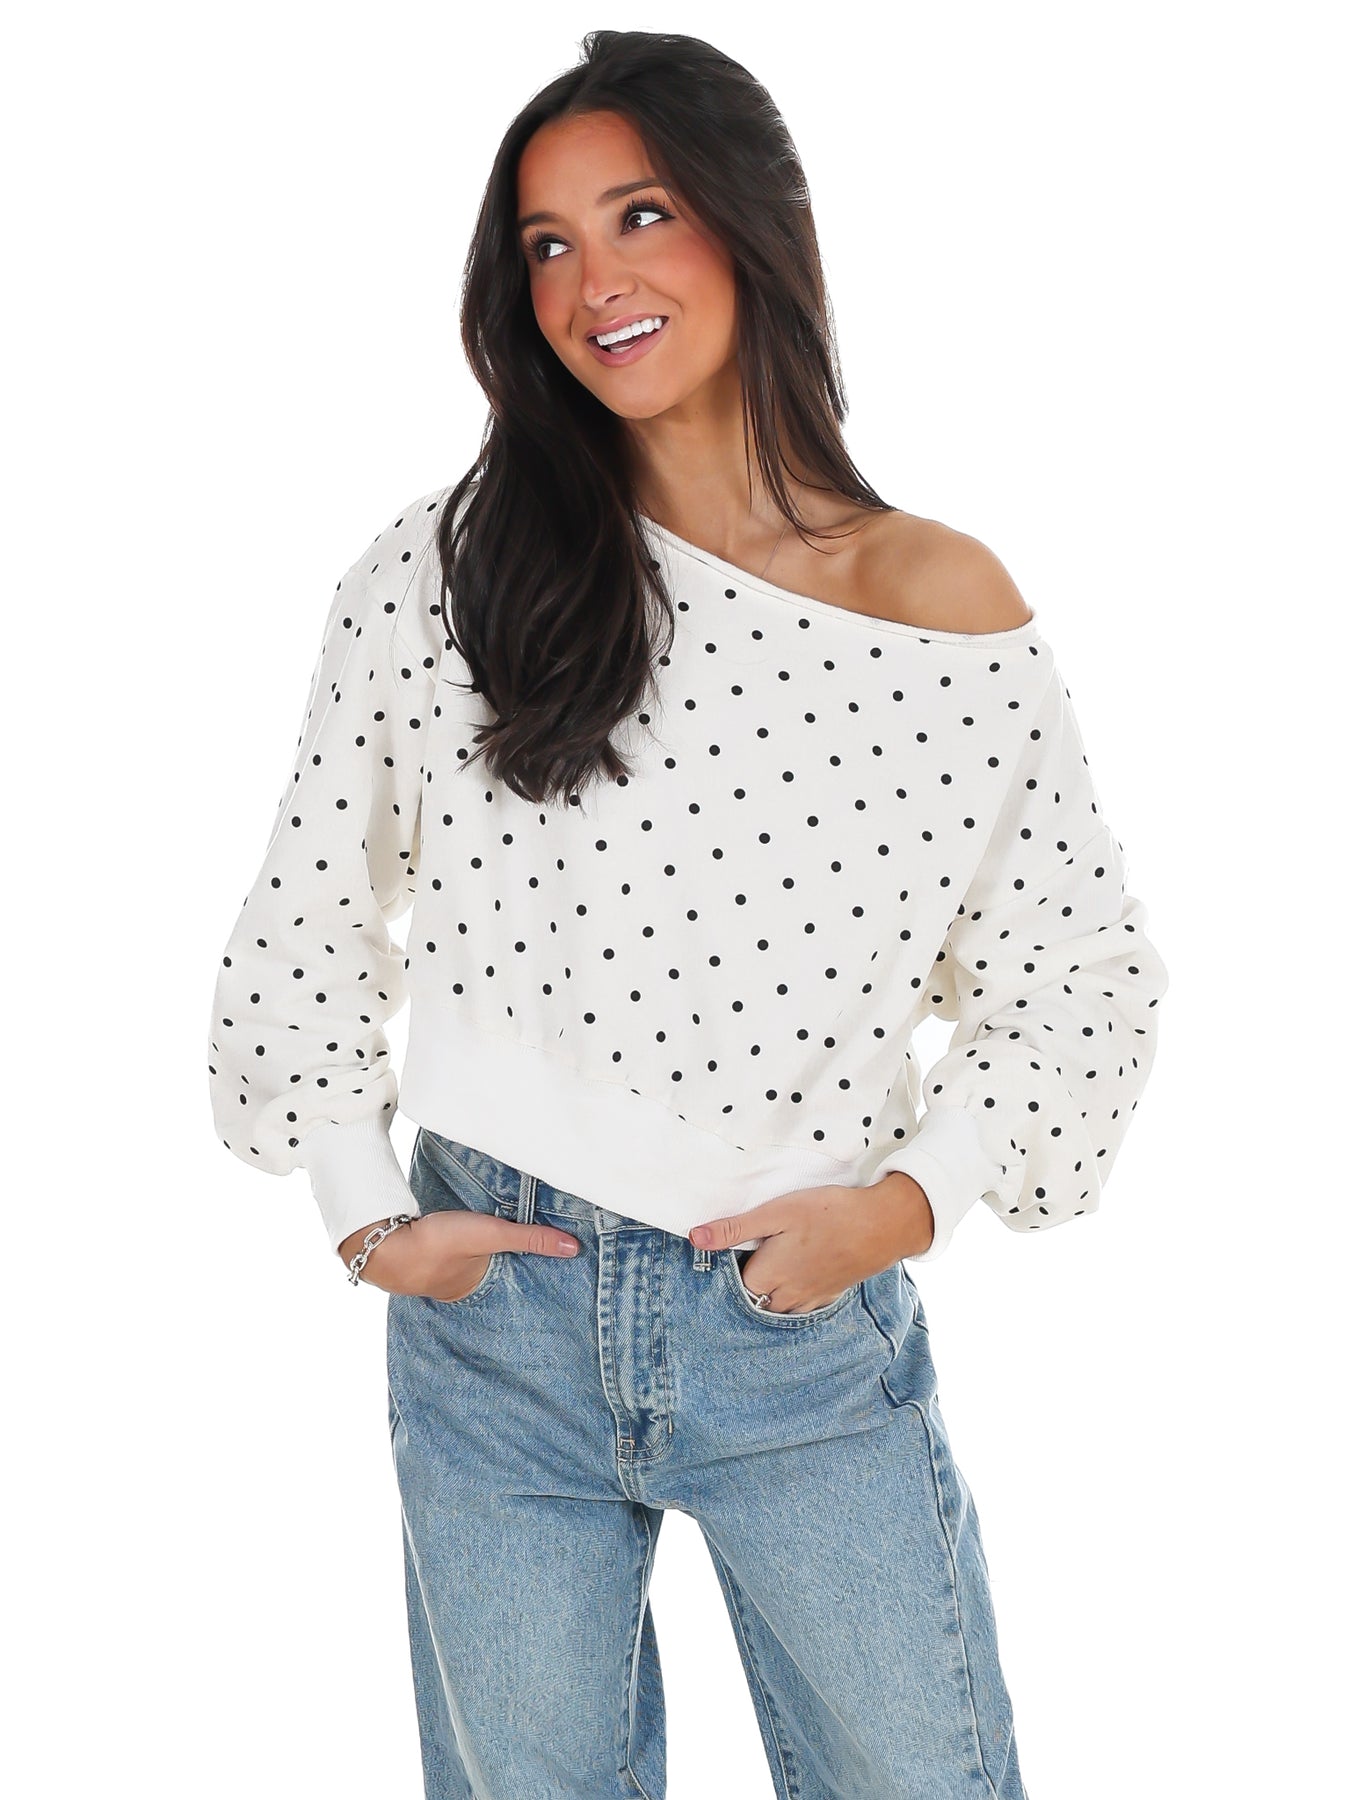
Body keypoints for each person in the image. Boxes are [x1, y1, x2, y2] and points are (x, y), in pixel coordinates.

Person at [207, 29, 1169, 1800]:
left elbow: (1078, 979)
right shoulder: (450, 566)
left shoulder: (937, 608)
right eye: (547, 243)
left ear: (752, 220)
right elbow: (308, 910)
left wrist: (907, 1204)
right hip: (495, 1314)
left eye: (638, 214)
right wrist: (362, 1211)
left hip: (793, 1324)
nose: (594, 280)